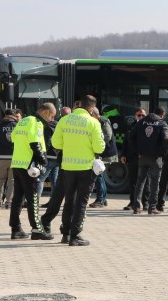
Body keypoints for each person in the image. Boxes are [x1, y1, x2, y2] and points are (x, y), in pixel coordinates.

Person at [51, 95, 105, 246]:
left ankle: (66, 234)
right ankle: (75, 235)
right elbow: (99, 147)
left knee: (69, 200)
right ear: (91, 108)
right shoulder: (93, 122)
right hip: (86, 168)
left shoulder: (64, 120)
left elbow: (55, 143)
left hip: (67, 167)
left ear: (80, 104)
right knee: (81, 202)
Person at [8, 103, 56, 241]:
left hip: (17, 164)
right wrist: (44, 161)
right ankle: (37, 230)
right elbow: (35, 144)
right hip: (30, 167)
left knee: (17, 198)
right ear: (45, 112)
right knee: (33, 199)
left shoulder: (23, 121)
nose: (51, 120)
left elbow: (12, 140)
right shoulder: (36, 123)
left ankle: (16, 229)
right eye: (51, 116)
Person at [130, 106, 168, 214]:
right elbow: (165, 139)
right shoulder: (162, 123)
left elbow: (131, 136)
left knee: (140, 181)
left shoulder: (141, 122)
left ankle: (136, 207)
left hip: (142, 156)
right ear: (162, 115)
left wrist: (137, 151)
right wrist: (162, 154)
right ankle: (152, 208)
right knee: (155, 183)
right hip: (156, 158)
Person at [89, 107, 118, 208]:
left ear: (95, 115)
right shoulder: (99, 121)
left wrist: (96, 143)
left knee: (98, 175)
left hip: (105, 153)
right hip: (102, 152)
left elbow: (108, 136)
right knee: (99, 175)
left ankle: (100, 200)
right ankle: (103, 199)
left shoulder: (103, 121)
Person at [120, 108, 148, 211]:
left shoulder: (149, 127)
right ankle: (132, 202)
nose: (141, 117)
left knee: (146, 181)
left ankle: (146, 203)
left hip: (145, 158)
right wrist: (123, 155)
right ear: (135, 116)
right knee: (132, 181)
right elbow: (125, 142)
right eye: (139, 115)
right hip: (132, 158)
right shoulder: (131, 126)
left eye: (143, 115)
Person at [0, 109, 17, 209]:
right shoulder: (17, 126)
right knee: (12, 181)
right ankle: (9, 203)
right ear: (14, 115)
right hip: (14, 158)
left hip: (1, 157)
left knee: (0, 181)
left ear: (4, 115)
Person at [36, 106, 60, 203]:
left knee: (40, 178)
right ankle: (53, 201)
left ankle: (35, 201)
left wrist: (43, 154)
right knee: (54, 181)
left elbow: (47, 142)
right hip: (57, 156)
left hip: (49, 156)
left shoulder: (47, 126)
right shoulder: (58, 125)